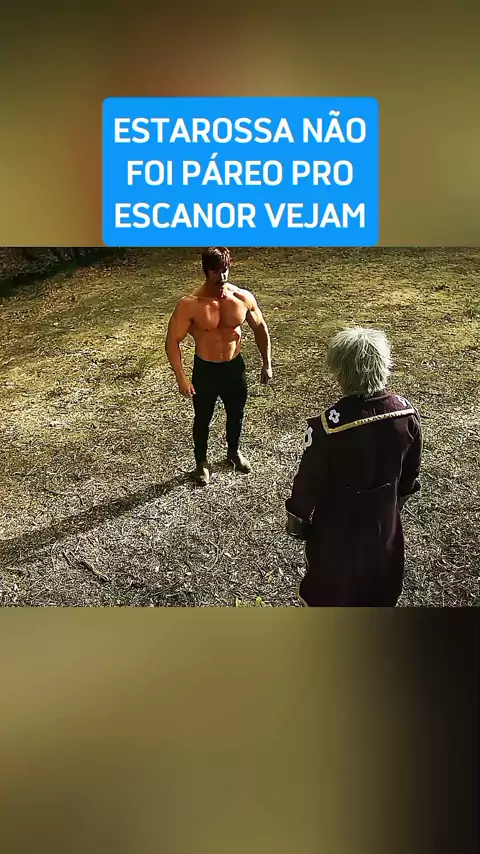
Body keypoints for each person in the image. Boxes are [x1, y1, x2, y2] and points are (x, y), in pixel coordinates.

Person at [285, 327, 422, 607]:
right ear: (383, 364)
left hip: (337, 530)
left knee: (334, 592)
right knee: (380, 586)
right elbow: (410, 475)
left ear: (341, 371)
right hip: (385, 523)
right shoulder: (406, 415)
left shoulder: (327, 428)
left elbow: (308, 484)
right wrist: (393, 503)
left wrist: (298, 520)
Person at [165, 247, 273, 486]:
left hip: (234, 367)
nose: (222, 277)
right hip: (206, 370)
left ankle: (233, 451)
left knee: (236, 412)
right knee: (203, 417)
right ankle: (201, 462)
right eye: (216, 272)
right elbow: (172, 340)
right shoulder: (190, 304)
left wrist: (267, 363)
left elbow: (260, 328)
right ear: (206, 271)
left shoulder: (242, 298)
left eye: (225, 270)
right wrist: (181, 377)